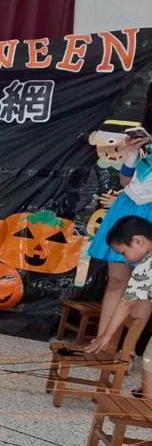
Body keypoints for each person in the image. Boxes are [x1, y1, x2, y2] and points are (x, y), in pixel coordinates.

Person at [85, 127, 152, 338]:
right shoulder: (147, 147)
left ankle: (127, 349)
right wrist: (132, 152)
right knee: (116, 280)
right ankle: (102, 342)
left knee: (145, 288)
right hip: (127, 207)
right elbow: (125, 181)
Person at [85, 215, 152, 399]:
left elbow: (127, 303)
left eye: (123, 252)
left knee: (150, 362)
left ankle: (148, 402)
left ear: (138, 240)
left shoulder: (146, 266)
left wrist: (106, 335)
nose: (125, 259)